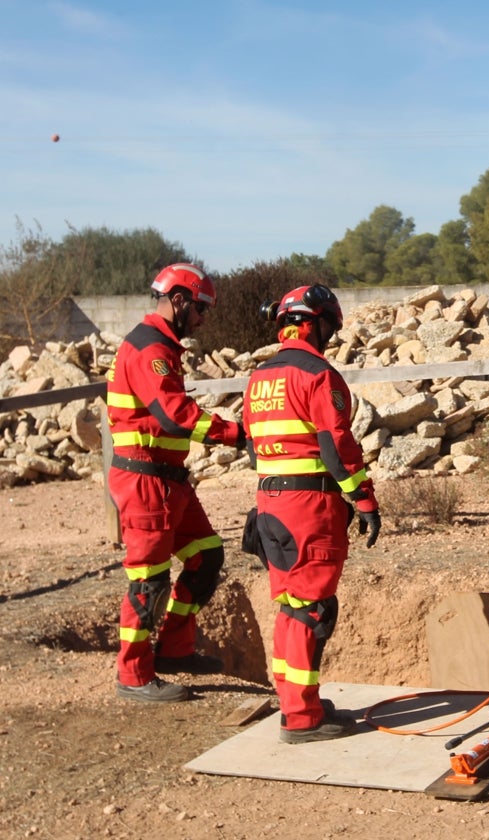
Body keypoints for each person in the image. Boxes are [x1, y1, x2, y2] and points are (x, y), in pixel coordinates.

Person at [244, 284, 382, 743]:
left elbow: (252, 448)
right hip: (308, 507)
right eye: (329, 327)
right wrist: (363, 501)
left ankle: (295, 701)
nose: (330, 337)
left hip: (270, 503)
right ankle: (302, 719)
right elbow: (336, 447)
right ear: (315, 322)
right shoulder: (319, 374)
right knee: (313, 608)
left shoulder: (259, 378)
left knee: (291, 604)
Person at [107, 263, 246, 703]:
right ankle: (133, 675)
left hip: (167, 481)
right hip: (145, 482)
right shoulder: (151, 349)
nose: (203, 318)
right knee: (148, 580)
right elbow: (175, 415)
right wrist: (236, 433)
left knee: (206, 556)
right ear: (180, 300)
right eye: (201, 308)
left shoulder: (159, 346)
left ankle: (174, 649)